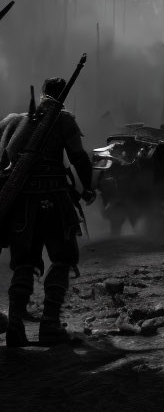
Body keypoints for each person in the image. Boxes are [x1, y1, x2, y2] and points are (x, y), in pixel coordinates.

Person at [0, 77, 95, 347]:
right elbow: (78, 156)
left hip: (21, 203)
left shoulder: (15, 121)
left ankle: (15, 326)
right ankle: (50, 325)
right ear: (61, 95)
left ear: (42, 94)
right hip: (54, 198)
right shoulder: (63, 120)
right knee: (64, 257)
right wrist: (87, 186)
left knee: (24, 262)